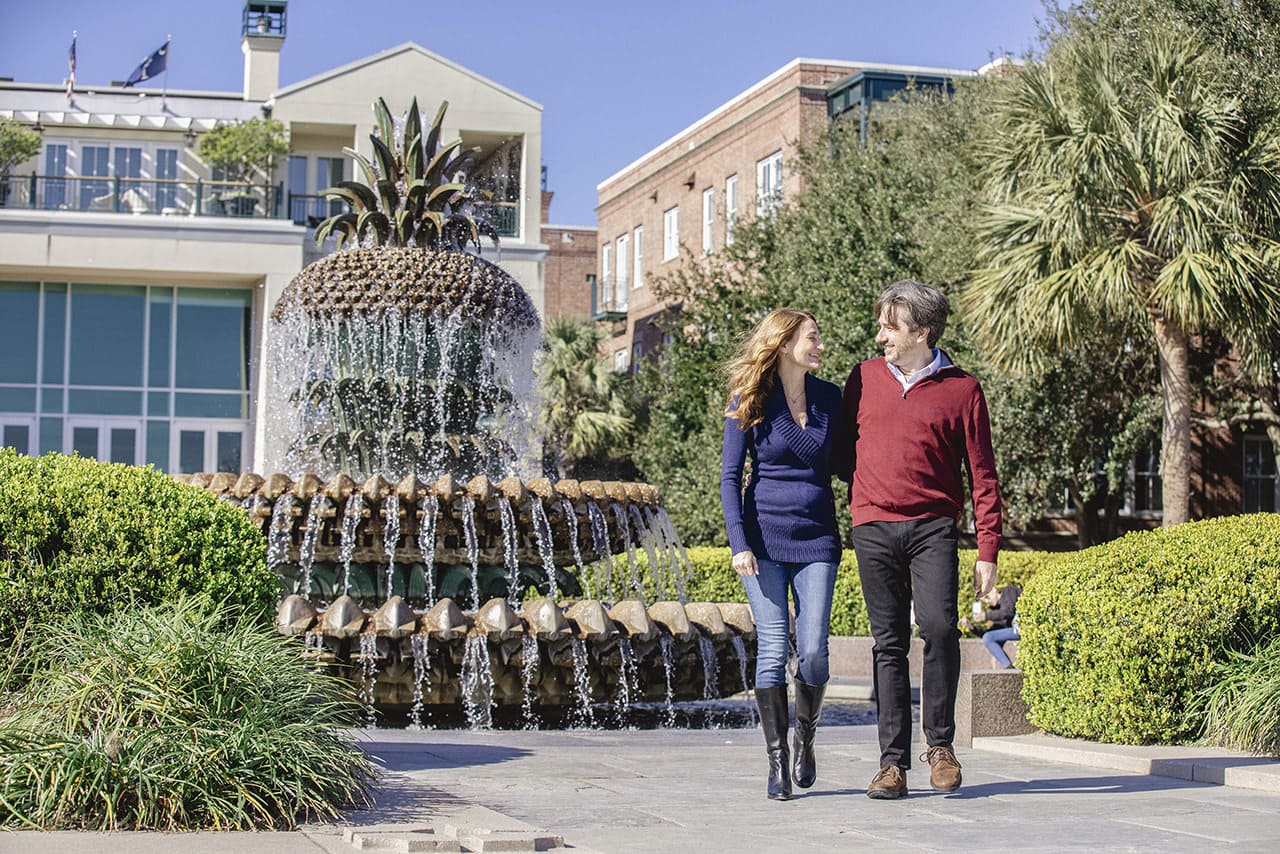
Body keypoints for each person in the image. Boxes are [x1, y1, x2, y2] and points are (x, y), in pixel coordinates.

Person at [841, 280, 1002, 800]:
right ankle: (892, 765)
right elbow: (842, 452)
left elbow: (983, 476)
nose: (881, 334)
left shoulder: (963, 389)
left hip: (934, 527)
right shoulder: (862, 378)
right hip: (873, 528)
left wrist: (988, 549)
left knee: (939, 628)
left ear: (923, 332)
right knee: (888, 643)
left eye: (891, 325)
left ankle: (940, 746)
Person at [721, 308, 848, 801]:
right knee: (774, 647)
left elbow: (843, 463)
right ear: (785, 342)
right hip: (762, 541)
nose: (819, 345)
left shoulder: (829, 399)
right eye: (813, 337)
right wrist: (738, 544)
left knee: (813, 651)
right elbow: (731, 477)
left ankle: (806, 736)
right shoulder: (749, 398)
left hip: (818, 539)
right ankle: (776, 761)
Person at [967, 583, 1021, 669]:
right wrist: (972, 628)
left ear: (993, 590)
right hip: (1017, 630)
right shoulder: (998, 611)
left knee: (989, 637)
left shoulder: (1008, 591)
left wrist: (986, 616)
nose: (988, 602)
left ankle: (1008, 667)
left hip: (1026, 626)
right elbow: (990, 633)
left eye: (987, 597)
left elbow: (1008, 612)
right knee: (989, 638)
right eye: (985, 601)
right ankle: (1008, 667)